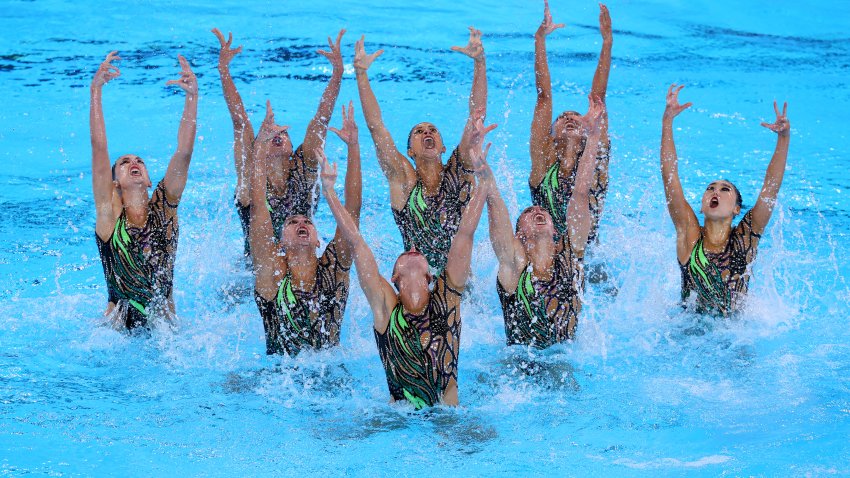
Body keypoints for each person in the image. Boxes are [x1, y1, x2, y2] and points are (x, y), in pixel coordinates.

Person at [319, 144, 487, 408]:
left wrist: (484, 182)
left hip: (450, 417)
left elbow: (465, 233)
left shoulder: (447, 297)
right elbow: (356, 241)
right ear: (394, 277)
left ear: (430, 277)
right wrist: (329, 192)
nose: (412, 248)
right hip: (398, 420)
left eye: (416, 252)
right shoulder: (385, 307)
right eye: (407, 252)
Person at [353, 27, 488, 272]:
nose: (427, 132)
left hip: (460, 283)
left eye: (432, 130)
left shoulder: (460, 170)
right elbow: (376, 128)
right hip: (415, 282)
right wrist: (361, 75)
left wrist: (479, 62)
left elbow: (477, 116)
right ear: (410, 152)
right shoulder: (403, 178)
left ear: (443, 147)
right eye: (419, 131)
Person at [478, 96, 605, 348]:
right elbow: (500, 233)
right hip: (519, 368)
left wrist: (592, 138)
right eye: (527, 213)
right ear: (519, 237)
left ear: (555, 228)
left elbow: (580, 194)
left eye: (542, 212)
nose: (538, 210)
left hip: (564, 364)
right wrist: (487, 181)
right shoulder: (514, 268)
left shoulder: (572, 257)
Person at [213, 28, 345, 258]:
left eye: (284, 134)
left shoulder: (305, 170)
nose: (278, 135)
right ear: (258, 150)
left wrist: (337, 74)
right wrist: (223, 70)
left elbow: (321, 120)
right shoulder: (251, 178)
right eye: (271, 134)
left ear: (293, 149)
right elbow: (240, 123)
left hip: (303, 261)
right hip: (257, 271)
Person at [90, 51, 198, 330]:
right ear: (115, 183)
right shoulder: (109, 218)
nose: (133, 163)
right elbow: (99, 150)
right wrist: (96, 90)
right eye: (124, 162)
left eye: (139, 161)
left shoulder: (165, 209)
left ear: (149, 180)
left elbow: (183, 153)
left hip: (167, 329)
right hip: (118, 330)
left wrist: (192, 97)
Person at [661, 84, 791, 315]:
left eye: (724, 190)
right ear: (701, 207)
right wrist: (667, 122)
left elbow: (770, 189)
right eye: (710, 188)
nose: (715, 192)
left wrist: (783, 138)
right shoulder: (690, 234)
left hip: (735, 337)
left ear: (736, 209)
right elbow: (670, 177)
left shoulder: (745, 238)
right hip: (688, 334)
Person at [249, 101, 361, 355]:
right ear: (279, 244)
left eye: (307, 222)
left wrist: (353, 148)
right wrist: (259, 150)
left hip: (330, 376)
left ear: (319, 241)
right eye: (292, 222)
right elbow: (259, 211)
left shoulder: (335, 269)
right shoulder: (271, 277)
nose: (302, 223)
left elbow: (352, 212)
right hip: (278, 377)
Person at [530, 1, 612, 244]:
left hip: (589, 257)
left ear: (589, 130)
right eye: (562, 117)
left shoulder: (596, 160)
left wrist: (607, 42)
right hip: (546, 251)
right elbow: (544, 97)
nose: (568, 117)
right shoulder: (542, 162)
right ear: (551, 134)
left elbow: (599, 99)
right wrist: (539, 40)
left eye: (575, 115)